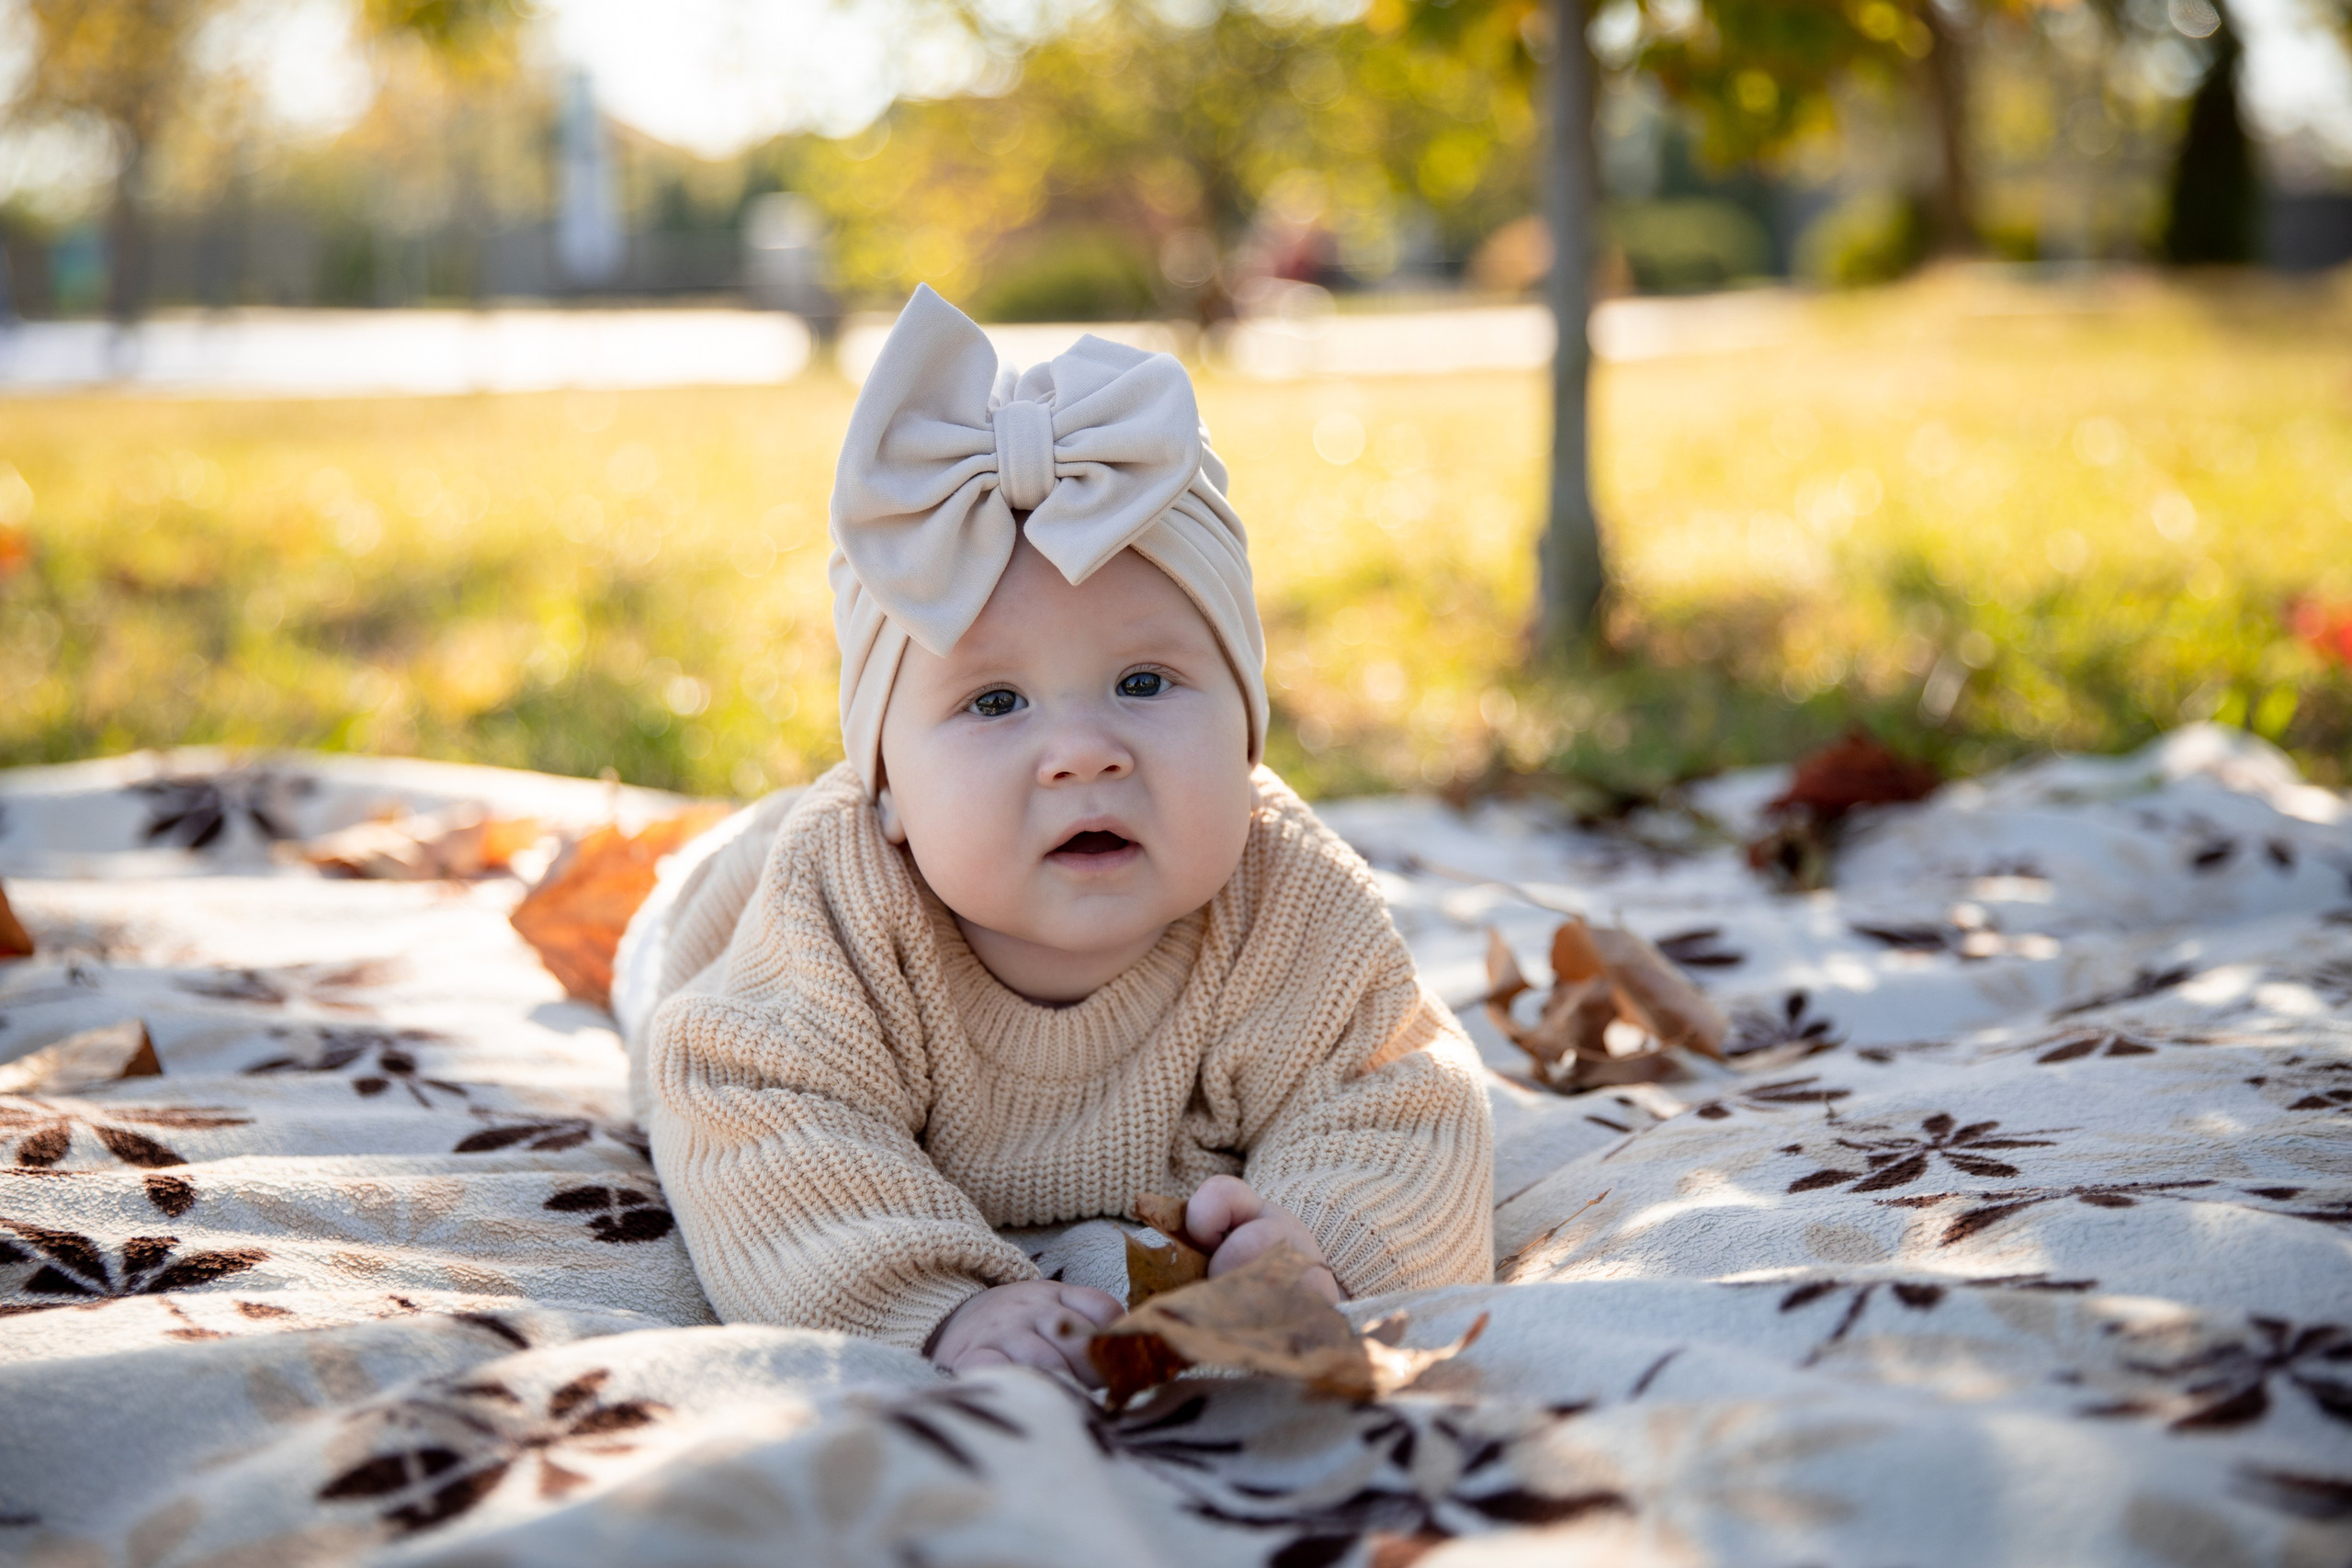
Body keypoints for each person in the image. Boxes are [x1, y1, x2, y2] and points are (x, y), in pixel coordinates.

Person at [641, 285, 1493, 1383]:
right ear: (887, 785)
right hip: (719, 920)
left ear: (1246, 739)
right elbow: (758, 1125)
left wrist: (1315, 1246)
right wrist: (937, 1309)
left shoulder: (1286, 896)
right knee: (667, 956)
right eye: (994, 704)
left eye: (1145, 681)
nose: (1083, 752)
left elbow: (1396, 1097)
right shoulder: (837, 905)